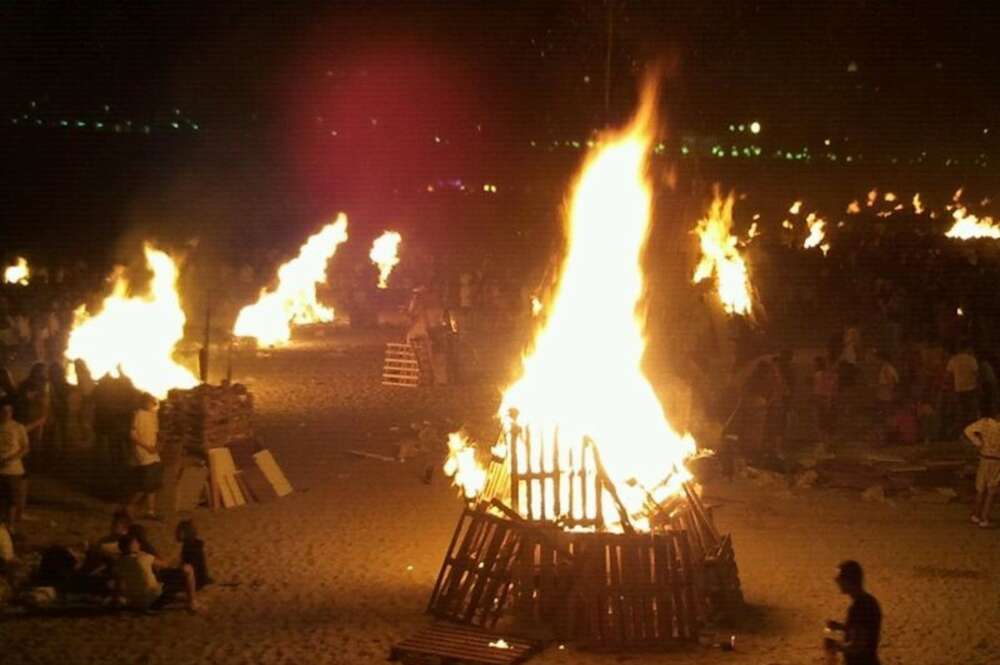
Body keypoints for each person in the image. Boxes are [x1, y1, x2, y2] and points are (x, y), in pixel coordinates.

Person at [113, 532, 201, 613]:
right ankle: (193, 603)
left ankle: (187, 598)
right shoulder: (143, 558)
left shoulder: (119, 563)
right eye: (136, 542)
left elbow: (119, 585)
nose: (139, 544)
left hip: (136, 603)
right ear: (132, 545)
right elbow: (165, 565)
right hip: (154, 600)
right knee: (188, 569)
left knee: (165, 588)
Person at [825, 560, 881, 665]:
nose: (836, 580)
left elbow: (857, 646)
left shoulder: (859, 607)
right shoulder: (869, 601)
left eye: (839, 577)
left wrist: (835, 646)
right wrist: (841, 627)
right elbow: (862, 629)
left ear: (849, 580)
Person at [123, 393, 162, 519]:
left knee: (153, 483)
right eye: (150, 402)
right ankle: (129, 506)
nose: (151, 404)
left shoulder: (154, 415)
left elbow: (156, 433)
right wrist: (146, 447)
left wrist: (157, 446)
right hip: (143, 452)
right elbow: (132, 436)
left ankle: (151, 511)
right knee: (145, 483)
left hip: (153, 453)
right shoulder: (138, 414)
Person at [964, 415, 1000, 527]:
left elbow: (968, 430)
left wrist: (979, 443)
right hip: (997, 460)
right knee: (991, 490)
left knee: (980, 488)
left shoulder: (985, 423)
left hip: (984, 458)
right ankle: (984, 518)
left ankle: (976, 514)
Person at [0, 399, 29, 533]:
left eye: (9, 411)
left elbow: (25, 448)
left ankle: (10, 526)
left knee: (12, 500)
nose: (6, 414)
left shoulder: (18, 427)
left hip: (13, 470)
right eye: (4, 411)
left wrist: (11, 458)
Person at [946, 344, 979, 437]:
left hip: (958, 390)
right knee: (971, 412)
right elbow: (977, 375)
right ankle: (973, 433)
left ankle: (962, 433)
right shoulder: (971, 359)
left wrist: (950, 389)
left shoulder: (953, 360)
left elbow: (948, 376)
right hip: (971, 389)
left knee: (961, 413)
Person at [176, 519, 213, 589]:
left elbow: (189, 566)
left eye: (179, 531)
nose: (177, 533)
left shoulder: (189, 547)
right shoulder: (195, 544)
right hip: (200, 579)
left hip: (195, 582)